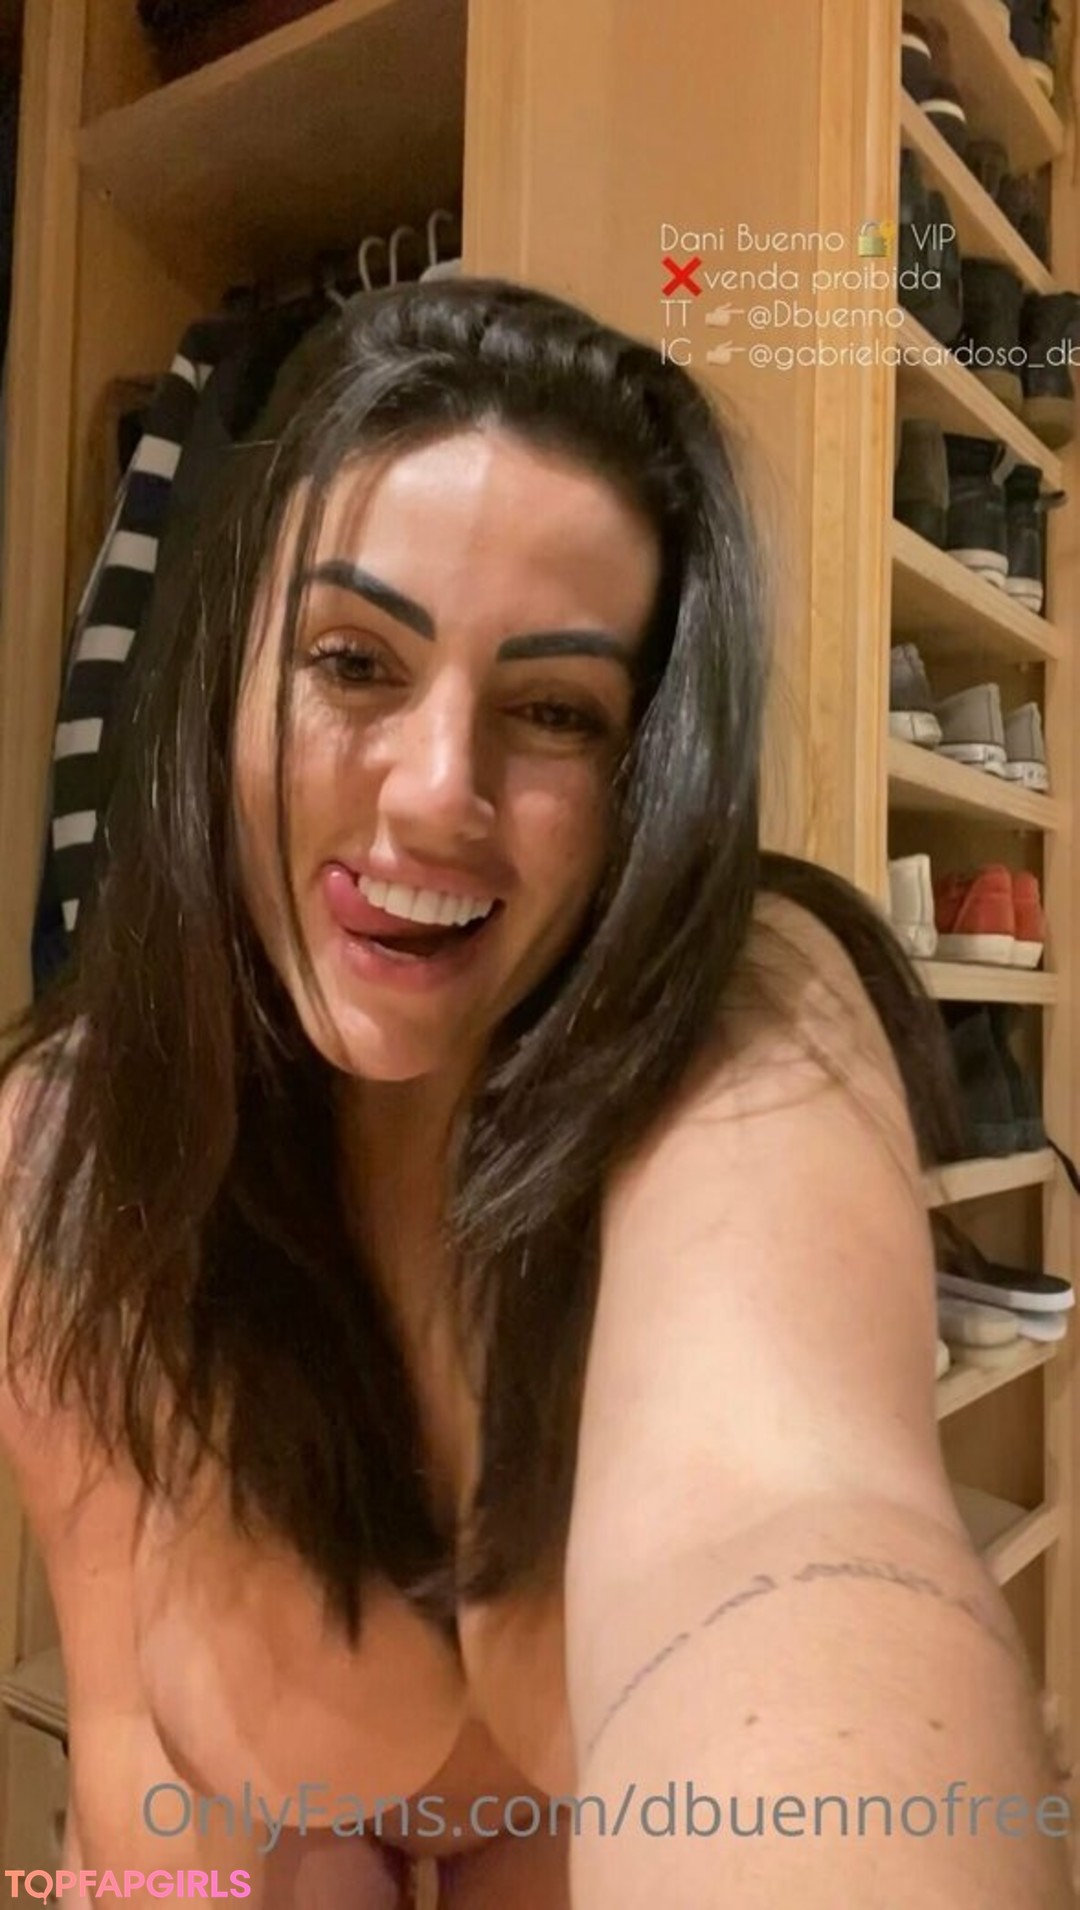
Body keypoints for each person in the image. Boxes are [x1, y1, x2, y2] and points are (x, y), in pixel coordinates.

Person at [0, 278, 1068, 1909]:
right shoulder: (72, 1157)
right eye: (353, 660)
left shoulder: (738, 1022)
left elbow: (794, 1524)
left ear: (646, 771)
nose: (439, 795)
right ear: (224, 681)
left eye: (557, 711)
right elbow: (134, 1778)